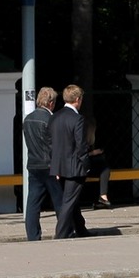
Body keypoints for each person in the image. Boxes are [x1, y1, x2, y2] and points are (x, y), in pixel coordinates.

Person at [50, 84, 91, 239]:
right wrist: (86, 164)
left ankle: (80, 229)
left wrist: (55, 165)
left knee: (71, 200)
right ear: (78, 99)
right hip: (75, 166)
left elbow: (51, 143)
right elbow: (81, 145)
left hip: (59, 167)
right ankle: (60, 233)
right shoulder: (77, 119)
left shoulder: (54, 117)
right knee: (68, 202)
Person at [22, 86, 63, 241]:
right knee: (58, 200)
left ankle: (33, 235)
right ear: (51, 102)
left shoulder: (28, 119)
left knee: (33, 202)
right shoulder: (51, 120)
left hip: (33, 164)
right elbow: (54, 146)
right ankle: (64, 230)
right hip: (49, 165)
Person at [85, 113, 112, 209]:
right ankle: (102, 196)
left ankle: (102, 196)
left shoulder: (91, 139)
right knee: (103, 168)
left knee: (104, 168)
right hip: (81, 165)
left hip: (88, 164)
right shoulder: (82, 138)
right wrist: (92, 153)